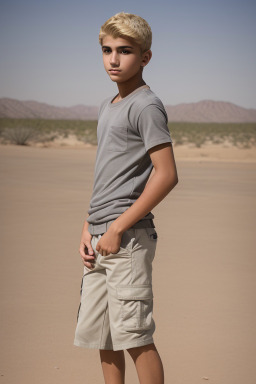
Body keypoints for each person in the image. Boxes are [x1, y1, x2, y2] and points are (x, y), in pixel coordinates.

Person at [74, 12, 178, 384]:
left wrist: (118, 226)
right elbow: (107, 174)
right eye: (107, 50)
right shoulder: (108, 105)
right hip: (101, 236)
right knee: (103, 335)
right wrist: (89, 226)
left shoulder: (146, 105)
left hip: (128, 239)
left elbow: (166, 175)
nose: (113, 60)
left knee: (135, 337)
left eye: (125, 51)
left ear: (145, 57)